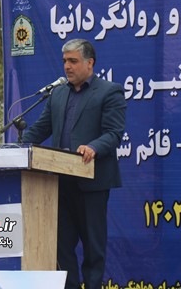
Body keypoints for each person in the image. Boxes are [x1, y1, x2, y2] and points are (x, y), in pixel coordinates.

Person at [21, 38, 126, 289]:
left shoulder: (109, 91)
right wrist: (16, 147)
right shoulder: (58, 94)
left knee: (93, 249)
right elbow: (40, 129)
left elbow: (114, 133)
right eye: (65, 61)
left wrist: (93, 147)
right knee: (60, 247)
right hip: (60, 184)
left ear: (90, 63)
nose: (67, 66)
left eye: (73, 61)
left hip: (92, 182)